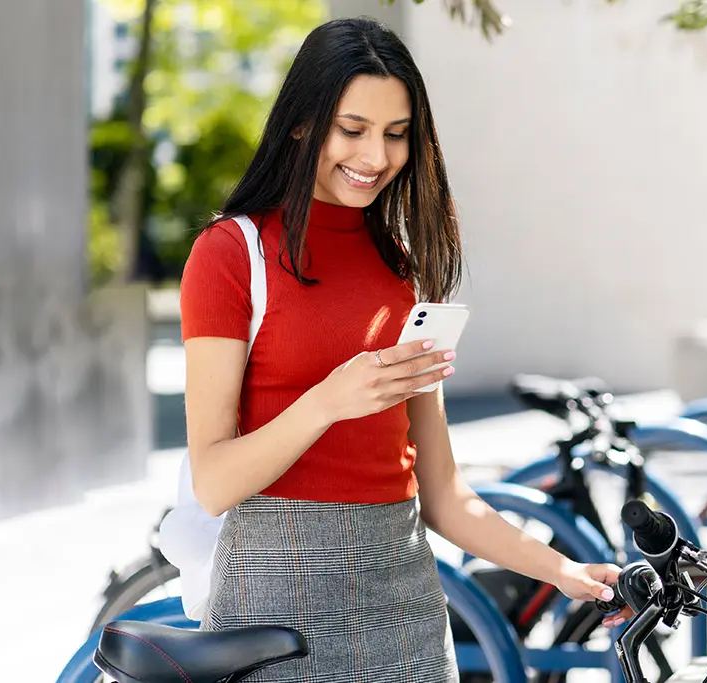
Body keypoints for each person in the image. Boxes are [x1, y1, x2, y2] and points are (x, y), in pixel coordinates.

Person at [178, 16, 630, 681]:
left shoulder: (402, 269)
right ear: (302, 123)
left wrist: (564, 571)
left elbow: (443, 494)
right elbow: (213, 481)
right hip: (277, 608)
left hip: (409, 610)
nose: (375, 157)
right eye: (352, 130)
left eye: (396, 135)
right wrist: (329, 400)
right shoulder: (231, 255)